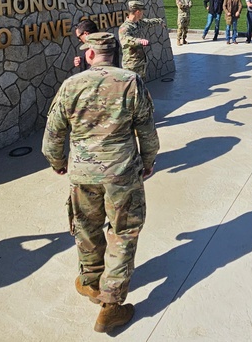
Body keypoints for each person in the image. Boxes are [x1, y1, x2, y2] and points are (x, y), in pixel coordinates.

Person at [41, 31, 159, 333]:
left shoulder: (71, 85)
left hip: (83, 172)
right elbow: (146, 128)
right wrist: (148, 161)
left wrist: (57, 163)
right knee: (123, 233)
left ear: (90, 55)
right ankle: (111, 304)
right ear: (113, 52)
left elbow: (53, 134)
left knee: (86, 226)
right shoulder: (131, 81)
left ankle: (91, 282)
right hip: (122, 172)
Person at [118, 0, 165, 79]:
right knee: (132, 89)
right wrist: (139, 41)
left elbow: (148, 22)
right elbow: (126, 39)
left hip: (140, 62)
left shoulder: (138, 23)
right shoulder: (125, 28)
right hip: (131, 64)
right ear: (137, 12)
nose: (143, 13)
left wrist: (160, 21)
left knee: (141, 87)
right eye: (142, 11)